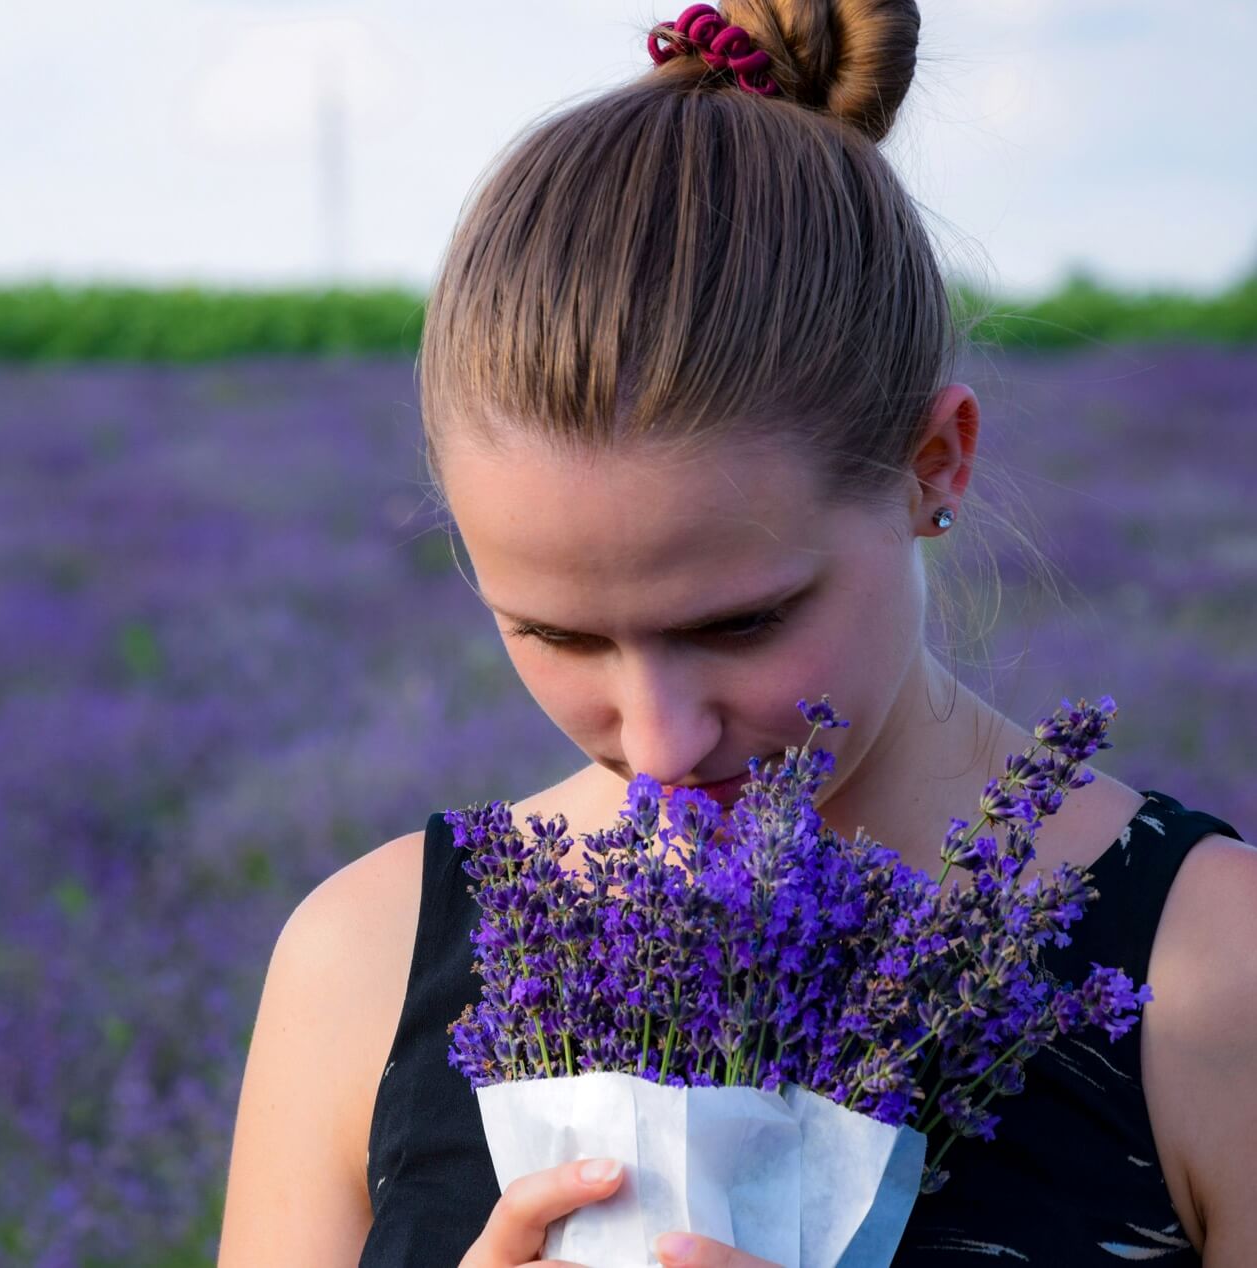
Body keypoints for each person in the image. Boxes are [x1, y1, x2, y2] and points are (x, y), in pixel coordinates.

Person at [216, 2, 1257, 1265]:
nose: (660, 745)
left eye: (741, 622)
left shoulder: (1218, 974)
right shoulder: (363, 963)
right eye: (557, 634)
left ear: (935, 461)